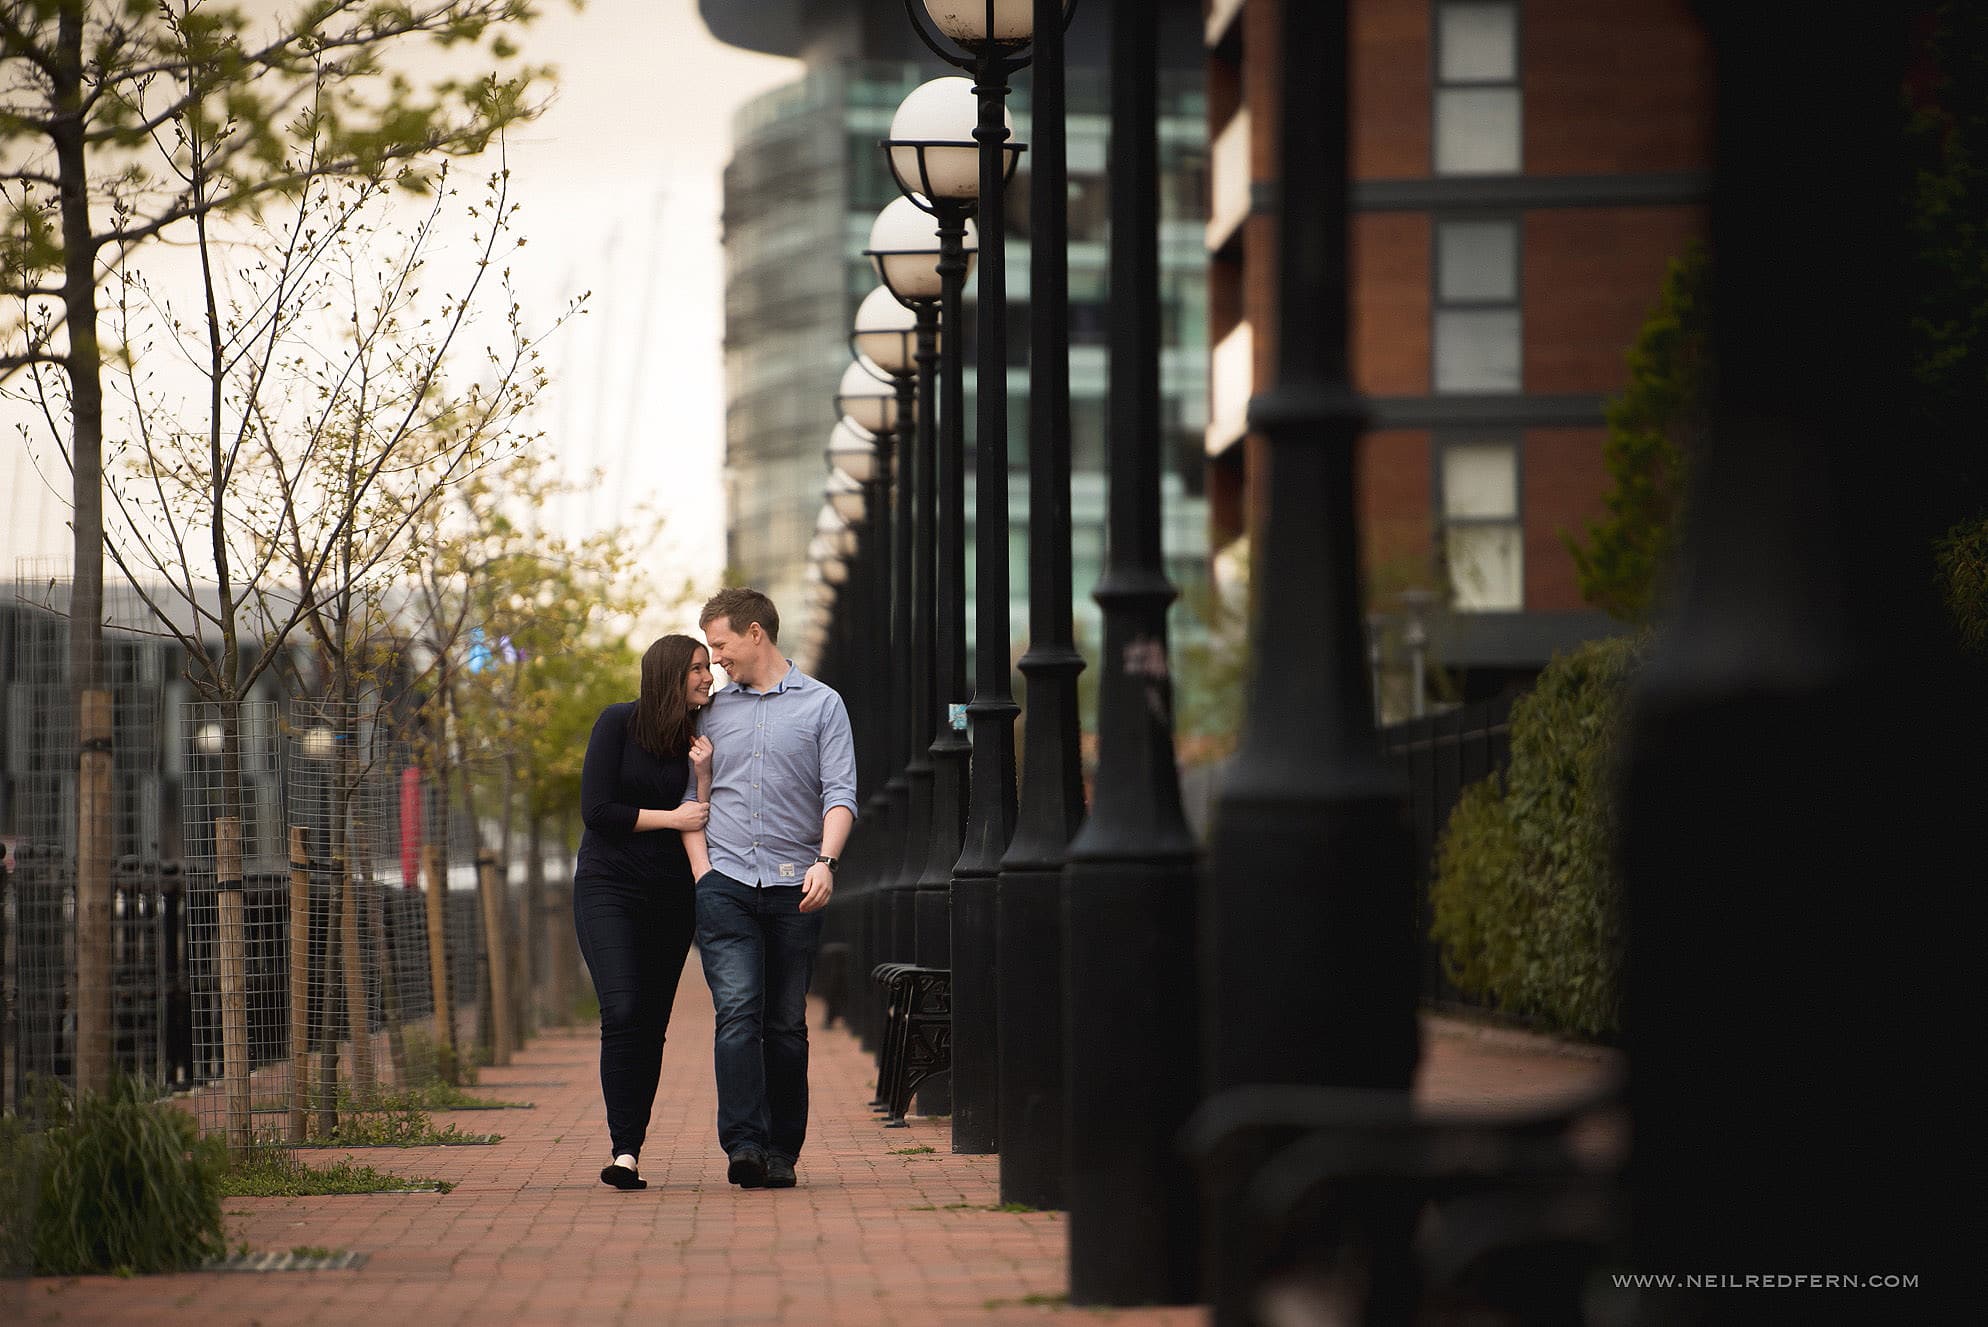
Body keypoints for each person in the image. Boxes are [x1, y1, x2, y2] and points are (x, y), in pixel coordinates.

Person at [683, 587, 856, 1190]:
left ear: (756, 633)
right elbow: (690, 798)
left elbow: (840, 794)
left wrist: (826, 861)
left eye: (720, 644)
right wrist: (704, 876)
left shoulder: (823, 706)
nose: (715, 658)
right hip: (725, 884)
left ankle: (783, 1150)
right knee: (736, 1015)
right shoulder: (708, 713)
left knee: (784, 1025)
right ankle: (744, 1145)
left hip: (794, 889)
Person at [574, 634, 715, 1191]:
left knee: (651, 1024)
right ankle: (622, 1144)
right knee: (624, 1008)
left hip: (671, 894)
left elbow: (705, 809)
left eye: (709, 666)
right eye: (699, 668)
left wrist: (699, 781)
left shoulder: (700, 736)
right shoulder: (617, 723)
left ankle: (628, 1152)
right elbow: (597, 810)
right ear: (669, 675)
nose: (709, 677)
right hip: (608, 884)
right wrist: (672, 817)